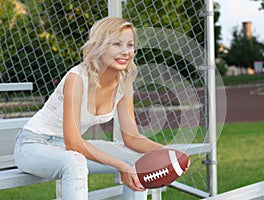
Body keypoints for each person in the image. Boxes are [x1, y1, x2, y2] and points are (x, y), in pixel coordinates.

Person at [14, 17, 165, 200]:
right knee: (76, 162)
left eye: (130, 45)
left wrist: (167, 152)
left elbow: (132, 137)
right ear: (99, 45)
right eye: (116, 44)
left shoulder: (125, 83)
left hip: (68, 149)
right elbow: (74, 143)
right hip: (33, 145)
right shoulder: (77, 78)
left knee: (136, 160)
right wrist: (121, 165)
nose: (126, 52)